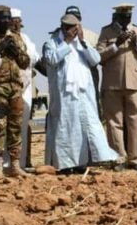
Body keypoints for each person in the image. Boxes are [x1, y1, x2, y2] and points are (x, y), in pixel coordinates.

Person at [42, 14, 117, 172]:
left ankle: (83, 163)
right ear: (64, 28)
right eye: (70, 29)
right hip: (64, 97)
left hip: (83, 95)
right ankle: (64, 165)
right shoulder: (52, 43)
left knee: (84, 128)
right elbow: (52, 59)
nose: (73, 32)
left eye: (76, 29)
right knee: (66, 129)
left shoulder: (82, 44)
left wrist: (82, 42)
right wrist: (67, 43)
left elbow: (95, 59)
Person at [97, 4, 137, 171]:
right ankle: (118, 158)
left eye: (129, 17)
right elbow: (98, 56)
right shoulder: (106, 32)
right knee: (114, 122)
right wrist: (116, 45)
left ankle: (135, 159)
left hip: (134, 82)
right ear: (117, 16)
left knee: (135, 121)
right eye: (123, 17)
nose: (126, 20)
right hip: (112, 82)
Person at [0, 5, 30, 177]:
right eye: (2, 18)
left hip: (15, 87)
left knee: (15, 126)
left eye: (8, 17)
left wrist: (16, 50)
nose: (6, 21)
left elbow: (25, 63)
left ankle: (14, 164)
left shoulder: (15, 36)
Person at [11, 8, 39, 171]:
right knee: (10, 125)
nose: (16, 23)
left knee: (23, 123)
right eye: (13, 20)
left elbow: (34, 58)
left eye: (18, 20)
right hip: (10, 85)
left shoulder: (26, 38)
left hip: (27, 85)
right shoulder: (5, 38)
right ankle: (8, 163)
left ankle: (21, 163)